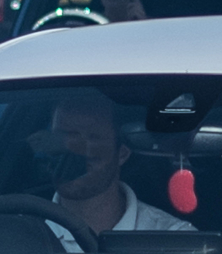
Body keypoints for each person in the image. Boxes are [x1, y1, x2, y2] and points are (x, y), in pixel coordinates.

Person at [39, 91, 191, 235]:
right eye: (62, 136)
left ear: (122, 154)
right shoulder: (21, 233)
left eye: (92, 137)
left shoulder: (172, 240)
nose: (72, 149)